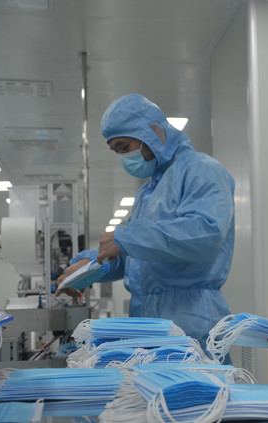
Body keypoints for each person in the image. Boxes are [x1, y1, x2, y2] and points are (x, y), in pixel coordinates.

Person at [58, 94, 236, 352]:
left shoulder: (202, 170)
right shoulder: (147, 192)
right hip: (147, 322)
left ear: (152, 132)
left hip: (191, 321)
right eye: (116, 151)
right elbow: (135, 257)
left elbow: (205, 234)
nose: (123, 156)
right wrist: (91, 265)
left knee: (194, 379)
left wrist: (126, 238)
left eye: (124, 146)